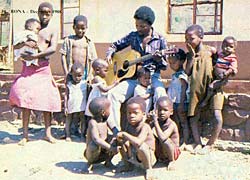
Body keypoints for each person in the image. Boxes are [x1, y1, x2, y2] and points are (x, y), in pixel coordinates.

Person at [106, 6, 168, 132]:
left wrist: (158, 59)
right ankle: (115, 130)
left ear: (150, 25)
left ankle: (156, 130)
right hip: (133, 77)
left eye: (142, 26)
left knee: (160, 94)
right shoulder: (133, 36)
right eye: (137, 25)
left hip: (151, 77)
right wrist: (109, 54)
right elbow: (115, 45)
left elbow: (165, 65)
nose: (139, 29)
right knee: (113, 94)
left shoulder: (160, 39)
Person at [9, 2, 61, 145]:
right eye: (42, 12)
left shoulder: (52, 30)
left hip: (43, 68)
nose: (44, 16)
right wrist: (24, 47)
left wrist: (36, 57)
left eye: (47, 13)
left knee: (47, 99)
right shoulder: (30, 28)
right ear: (38, 12)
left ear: (51, 14)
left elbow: (52, 49)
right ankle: (25, 135)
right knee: (26, 98)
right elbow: (16, 45)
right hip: (28, 68)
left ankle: (48, 134)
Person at [185, 24, 221, 154]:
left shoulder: (210, 51)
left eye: (191, 38)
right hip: (196, 90)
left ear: (201, 37)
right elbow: (188, 72)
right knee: (194, 117)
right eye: (186, 39)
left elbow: (218, 67)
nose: (188, 42)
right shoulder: (191, 55)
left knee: (217, 116)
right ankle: (198, 143)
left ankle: (210, 144)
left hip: (212, 88)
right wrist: (190, 55)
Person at [116, 97, 156, 180]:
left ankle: (148, 169)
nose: (131, 116)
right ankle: (128, 165)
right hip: (134, 155)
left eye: (135, 113)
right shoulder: (129, 126)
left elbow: (138, 142)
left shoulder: (145, 127)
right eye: (129, 113)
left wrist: (124, 134)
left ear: (144, 114)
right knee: (121, 142)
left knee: (141, 146)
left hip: (147, 157)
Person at [84, 97, 120, 173]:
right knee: (94, 145)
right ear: (103, 112)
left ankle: (108, 161)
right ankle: (89, 163)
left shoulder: (107, 120)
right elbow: (96, 139)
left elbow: (114, 129)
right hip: (93, 152)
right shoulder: (93, 123)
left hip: (104, 150)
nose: (110, 111)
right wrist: (110, 147)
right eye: (109, 109)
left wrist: (118, 136)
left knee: (116, 140)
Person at [200, 36, 238, 107]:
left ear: (234, 49)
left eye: (231, 46)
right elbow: (215, 59)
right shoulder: (220, 55)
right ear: (222, 45)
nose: (227, 48)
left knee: (211, 87)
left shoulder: (232, 58)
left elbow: (232, 68)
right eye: (225, 46)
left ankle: (205, 101)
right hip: (215, 75)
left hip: (222, 78)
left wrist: (225, 73)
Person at [60, 15, 97, 81]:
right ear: (73, 27)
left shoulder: (89, 42)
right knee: (71, 89)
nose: (80, 31)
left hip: (84, 72)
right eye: (78, 28)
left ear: (86, 28)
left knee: (84, 90)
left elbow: (93, 59)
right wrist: (66, 73)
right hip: (71, 72)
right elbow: (63, 56)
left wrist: (89, 75)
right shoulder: (68, 40)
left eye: (83, 28)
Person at [167, 48, 190, 148]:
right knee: (176, 122)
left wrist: (181, 104)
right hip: (174, 102)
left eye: (173, 63)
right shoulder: (175, 75)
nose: (171, 65)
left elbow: (184, 88)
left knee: (183, 122)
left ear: (181, 61)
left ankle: (186, 141)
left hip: (181, 102)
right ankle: (177, 139)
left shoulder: (181, 75)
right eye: (170, 63)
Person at [152, 96, 180, 170]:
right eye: (159, 110)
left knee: (166, 141)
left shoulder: (171, 124)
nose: (162, 113)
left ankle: (171, 161)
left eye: (165, 110)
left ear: (171, 112)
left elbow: (163, 138)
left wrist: (155, 122)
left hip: (173, 153)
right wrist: (146, 120)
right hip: (161, 152)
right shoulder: (157, 121)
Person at [64, 62, 87, 141]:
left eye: (79, 75)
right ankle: (68, 135)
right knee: (68, 119)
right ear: (71, 74)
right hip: (71, 105)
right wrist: (65, 106)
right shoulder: (69, 84)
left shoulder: (85, 84)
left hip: (82, 105)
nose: (77, 78)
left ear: (83, 74)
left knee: (83, 119)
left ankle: (82, 135)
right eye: (75, 75)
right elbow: (66, 95)